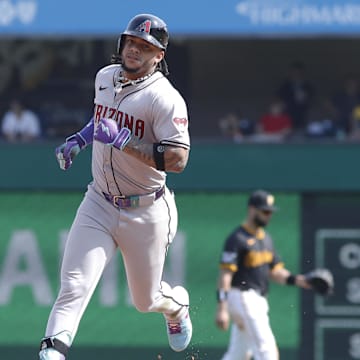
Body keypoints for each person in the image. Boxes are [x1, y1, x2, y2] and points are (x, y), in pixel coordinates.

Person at [38, 13, 192, 360]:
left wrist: (125, 141)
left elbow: (179, 160)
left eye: (145, 46)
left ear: (159, 56)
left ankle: (177, 307)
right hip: (99, 201)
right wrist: (81, 137)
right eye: (131, 42)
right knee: (73, 287)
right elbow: (102, 118)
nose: (135, 50)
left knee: (146, 300)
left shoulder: (165, 98)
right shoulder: (105, 77)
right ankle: (51, 352)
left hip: (147, 209)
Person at [215, 190, 311, 360]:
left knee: (238, 354)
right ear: (252, 209)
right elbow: (225, 274)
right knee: (266, 350)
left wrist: (300, 280)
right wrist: (222, 307)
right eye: (265, 211)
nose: (268, 216)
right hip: (242, 297)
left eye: (270, 212)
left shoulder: (266, 239)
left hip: (258, 299)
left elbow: (275, 272)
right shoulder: (237, 238)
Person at [277, 61, 314, 134]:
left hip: (303, 114)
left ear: (302, 73)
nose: (296, 74)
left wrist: (305, 98)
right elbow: (278, 99)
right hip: (287, 114)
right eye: (294, 72)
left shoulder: (307, 86)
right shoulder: (285, 86)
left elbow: (312, 99)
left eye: (298, 72)